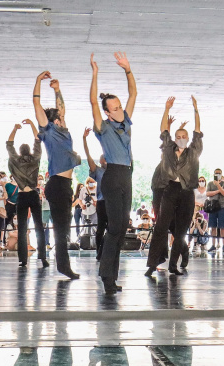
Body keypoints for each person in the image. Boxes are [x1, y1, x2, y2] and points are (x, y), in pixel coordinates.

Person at [90, 51, 137, 295]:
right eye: (114, 107)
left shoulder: (126, 122)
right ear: (107, 112)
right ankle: (106, 275)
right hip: (113, 176)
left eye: (119, 106)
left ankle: (111, 276)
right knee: (115, 227)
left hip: (127, 175)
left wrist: (127, 69)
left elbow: (133, 93)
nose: (119, 109)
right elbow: (92, 103)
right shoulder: (103, 127)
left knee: (121, 227)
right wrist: (95, 74)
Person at [145, 96, 202, 277]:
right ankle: (153, 264)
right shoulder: (168, 149)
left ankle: (173, 265)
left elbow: (198, 131)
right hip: (170, 190)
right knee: (161, 226)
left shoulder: (194, 151)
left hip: (186, 193)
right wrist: (166, 109)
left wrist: (196, 109)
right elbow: (163, 130)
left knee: (181, 231)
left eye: (183, 137)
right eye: (178, 137)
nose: (181, 139)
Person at [33, 71, 82, 279]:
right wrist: (38, 82)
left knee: (63, 227)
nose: (63, 117)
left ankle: (63, 265)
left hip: (65, 185)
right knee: (61, 229)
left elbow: (62, 109)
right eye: (59, 118)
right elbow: (37, 107)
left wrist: (57, 90)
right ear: (53, 122)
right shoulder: (49, 131)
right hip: (57, 184)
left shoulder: (65, 131)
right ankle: (63, 266)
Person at [7, 120, 48, 268]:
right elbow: (38, 141)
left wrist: (15, 128)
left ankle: (23, 259)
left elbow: (9, 144)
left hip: (22, 195)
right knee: (38, 226)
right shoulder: (35, 159)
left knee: (22, 228)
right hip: (34, 194)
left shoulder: (15, 160)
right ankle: (43, 257)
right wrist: (31, 124)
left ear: (20, 151)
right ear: (29, 151)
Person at [82, 128, 108, 260]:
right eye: (104, 158)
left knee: (111, 229)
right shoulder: (97, 170)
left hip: (112, 203)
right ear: (102, 161)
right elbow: (88, 157)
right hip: (103, 202)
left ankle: (108, 250)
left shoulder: (115, 170)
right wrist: (84, 140)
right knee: (101, 228)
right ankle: (99, 252)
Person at [205, 169, 224, 252]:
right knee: (213, 227)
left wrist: (218, 186)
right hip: (212, 206)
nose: (217, 174)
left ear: (221, 174)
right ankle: (213, 245)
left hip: (222, 206)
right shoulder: (210, 183)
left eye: (219, 173)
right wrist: (218, 191)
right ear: (213, 174)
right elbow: (207, 193)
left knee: (222, 227)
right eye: (216, 173)